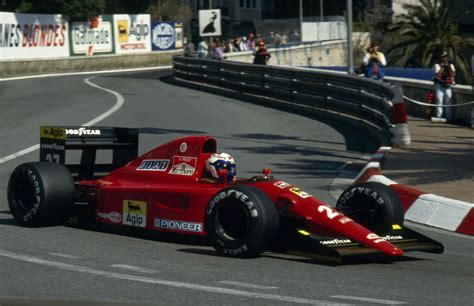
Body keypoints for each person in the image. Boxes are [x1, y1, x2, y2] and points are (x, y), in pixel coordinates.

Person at [432, 51, 456, 121]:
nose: (445, 59)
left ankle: (449, 116)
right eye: (443, 57)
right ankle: (439, 116)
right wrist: (443, 67)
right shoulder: (436, 65)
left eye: (446, 57)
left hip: (448, 85)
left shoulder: (451, 65)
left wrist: (448, 66)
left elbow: (453, 74)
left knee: (448, 100)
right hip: (440, 84)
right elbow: (438, 74)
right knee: (439, 100)